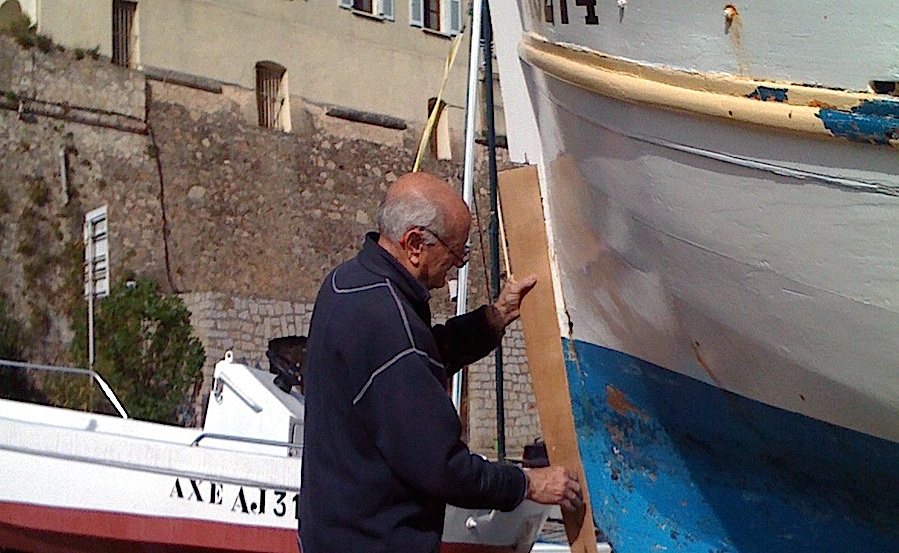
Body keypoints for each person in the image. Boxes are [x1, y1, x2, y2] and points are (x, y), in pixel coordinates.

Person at [298, 171, 582, 553]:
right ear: (415, 243)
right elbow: (444, 468)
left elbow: (418, 357)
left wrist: (494, 317)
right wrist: (530, 484)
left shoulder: (346, 283)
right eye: (456, 253)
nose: (458, 265)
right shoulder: (390, 324)